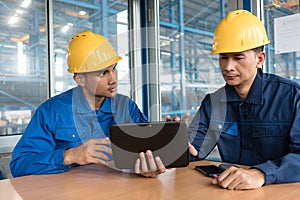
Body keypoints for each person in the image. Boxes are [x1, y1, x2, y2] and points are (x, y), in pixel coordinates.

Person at [10, 30, 165, 178]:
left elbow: (149, 150)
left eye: (114, 69)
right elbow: (20, 165)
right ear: (80, 79)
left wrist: (156, 158)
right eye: (103, 73)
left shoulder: (126, 107)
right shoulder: (52, 111)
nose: (113, 79)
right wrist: (70, 155)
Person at [188, 10, 300, 190]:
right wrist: (173, 148)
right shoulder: (213, 103)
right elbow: (193, 150)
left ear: (260, 59)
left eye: (238, 57)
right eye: (223, 57)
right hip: (231, 192)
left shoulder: (292, 97)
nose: (228, 67)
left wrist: (261, 173)